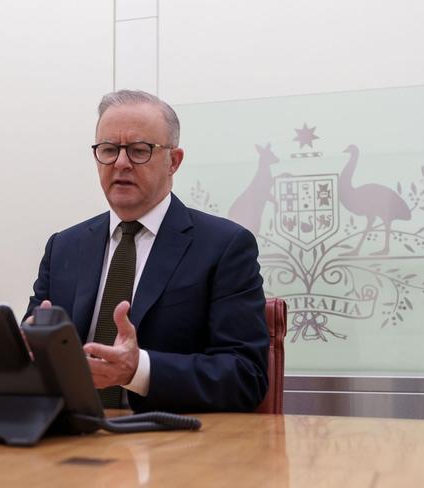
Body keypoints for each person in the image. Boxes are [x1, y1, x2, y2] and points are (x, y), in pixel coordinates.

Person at [25, 90, 269, 413]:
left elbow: (245, 376)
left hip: (172, 448)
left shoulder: (224, 247)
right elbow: (28, 347)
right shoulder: (64, 247)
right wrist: (28, 350)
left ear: (174, 161)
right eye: (109, 150)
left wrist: (138, 370)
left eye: (139, 151)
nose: (121, 163)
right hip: (69, 440)